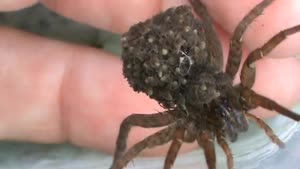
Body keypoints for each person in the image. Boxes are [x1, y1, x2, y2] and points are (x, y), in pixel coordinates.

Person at [0, 0, 299, 156]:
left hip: (178, 66)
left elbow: (135, 128)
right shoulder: (197, 119)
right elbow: (246, 40)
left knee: (242, 39)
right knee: (244, 42)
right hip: (182, 68)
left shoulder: (195, 120)